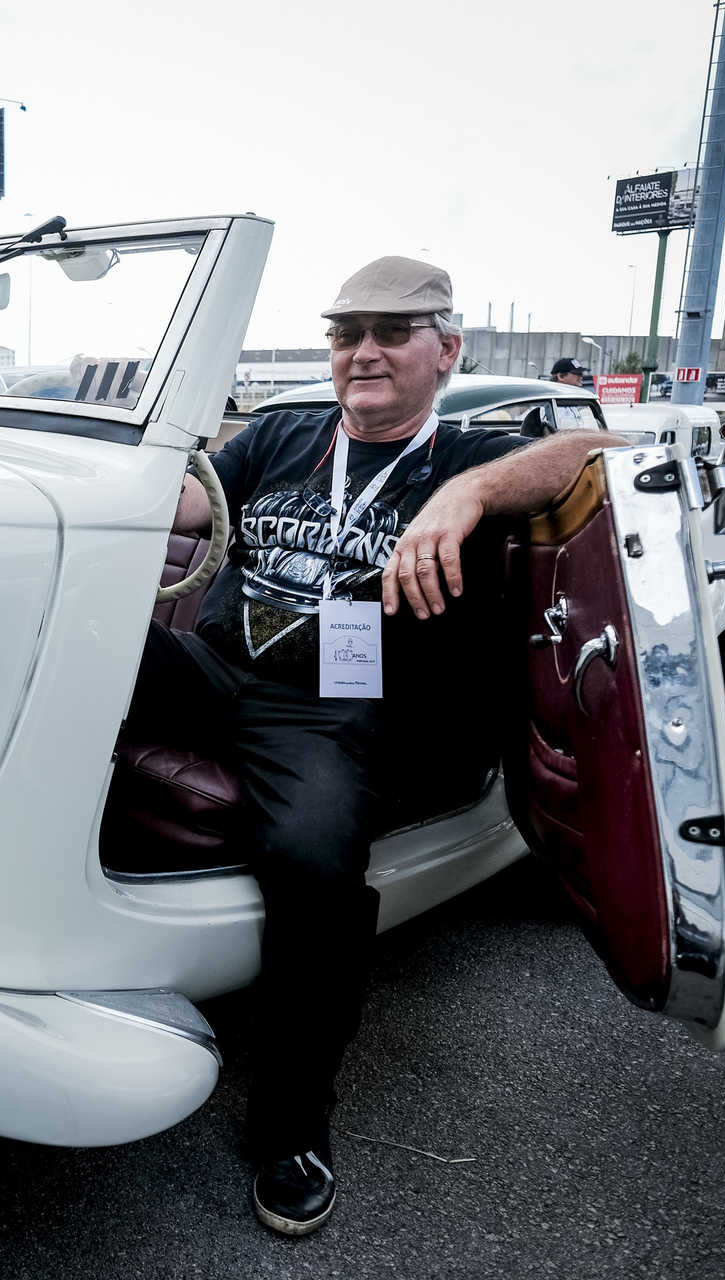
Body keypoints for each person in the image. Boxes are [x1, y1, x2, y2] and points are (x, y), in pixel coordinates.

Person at [135, 256, 619, 1237]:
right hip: (219, 664)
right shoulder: (278, 432)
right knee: (74, 642)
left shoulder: (467, 456)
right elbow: (184, 504)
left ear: (446, 350)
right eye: (346, 330)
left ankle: (292, 1121)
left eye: (391, 332)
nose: (362, 350)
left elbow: (593, 451)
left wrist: (466, 496)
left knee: (315, 861)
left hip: (332, 711)